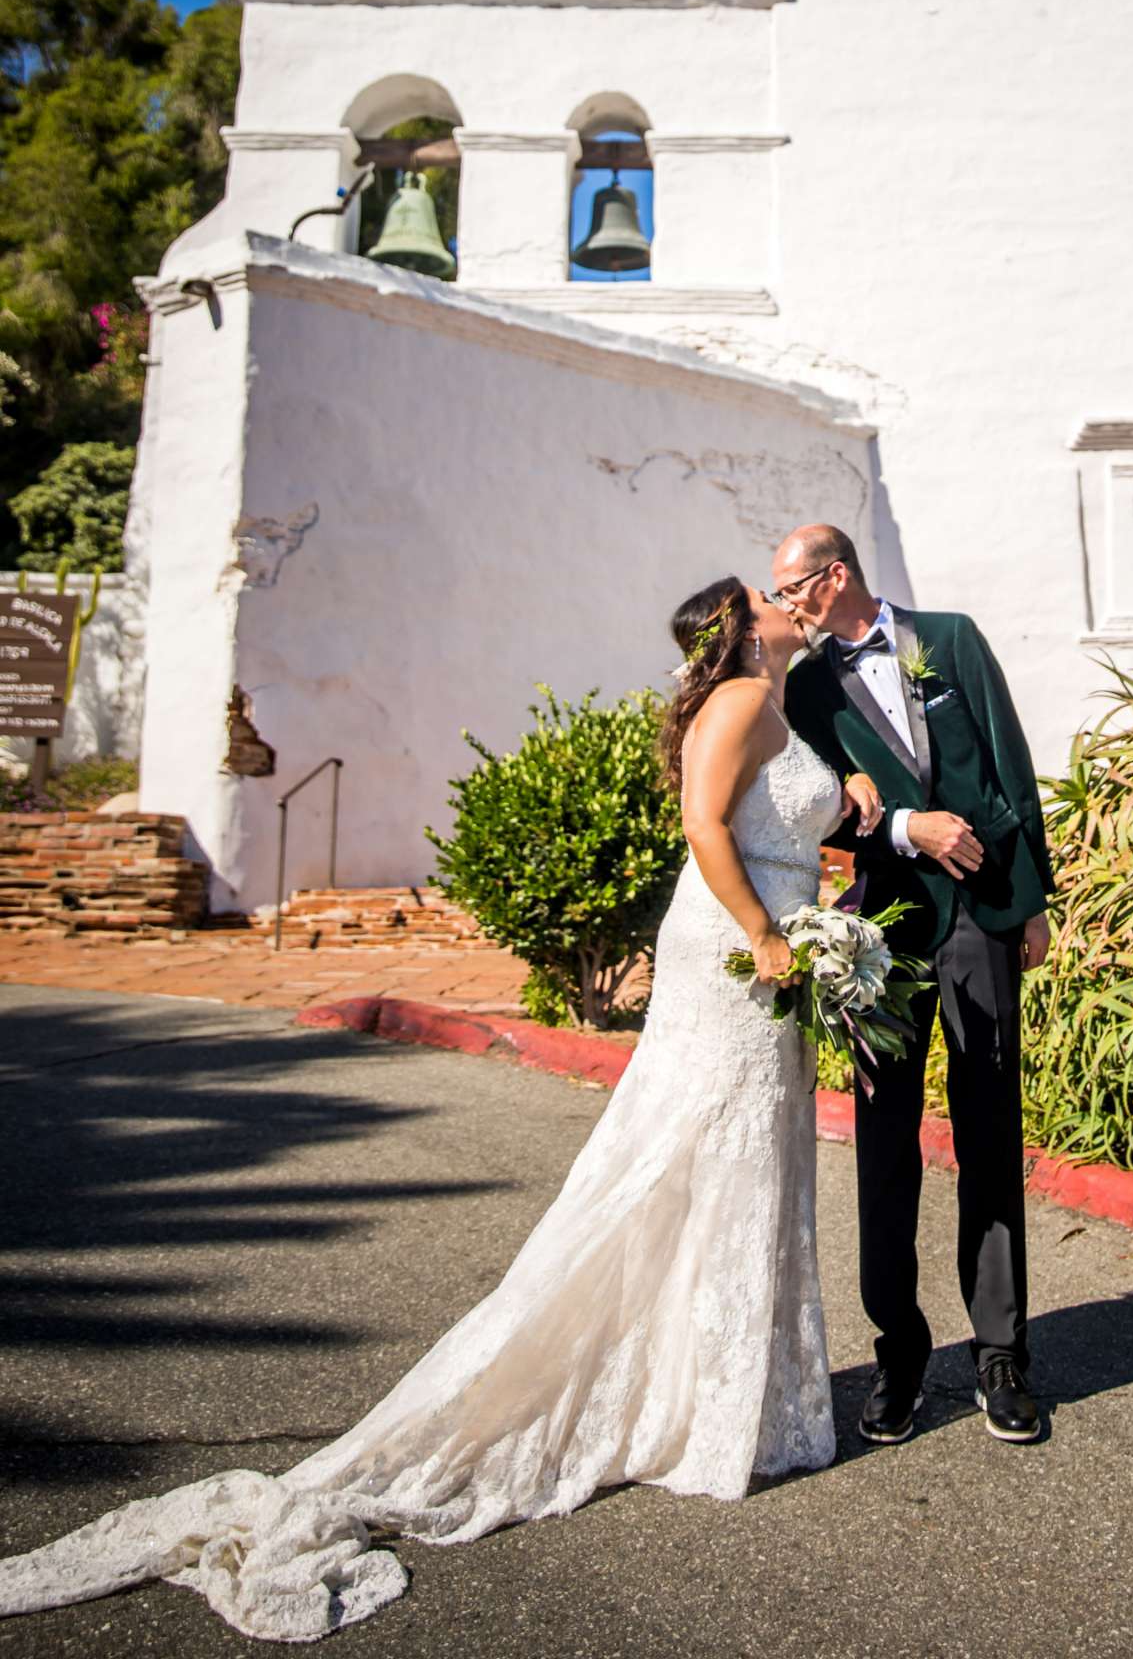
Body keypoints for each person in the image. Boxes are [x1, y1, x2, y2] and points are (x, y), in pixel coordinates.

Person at [0, 576, 881, 1645]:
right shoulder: (740, 701)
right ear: (743, 628)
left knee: (741, 1164)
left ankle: (722, 1399)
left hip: (767, 952)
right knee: (694, 1160)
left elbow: (777, 813)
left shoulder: (777, 703)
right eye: (767, 591)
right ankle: (703, 1410)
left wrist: (853, 806)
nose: (788, 596)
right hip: (736, 954)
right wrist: (769, 934)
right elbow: (705, 824)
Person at [775, 524, 1053, 1446]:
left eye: (796, 590)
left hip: (982, 917)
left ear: (838, 573)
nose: (789, 607)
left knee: (990, 1124)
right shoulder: (808, 687)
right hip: (881, 934)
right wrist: (906, 828)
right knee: (884, 1142)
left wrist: (1031, 902)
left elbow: (1010, 763)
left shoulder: (954, 637)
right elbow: (821, 807)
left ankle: (1001, 1351)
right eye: (781, 597)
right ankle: (899, 1351)